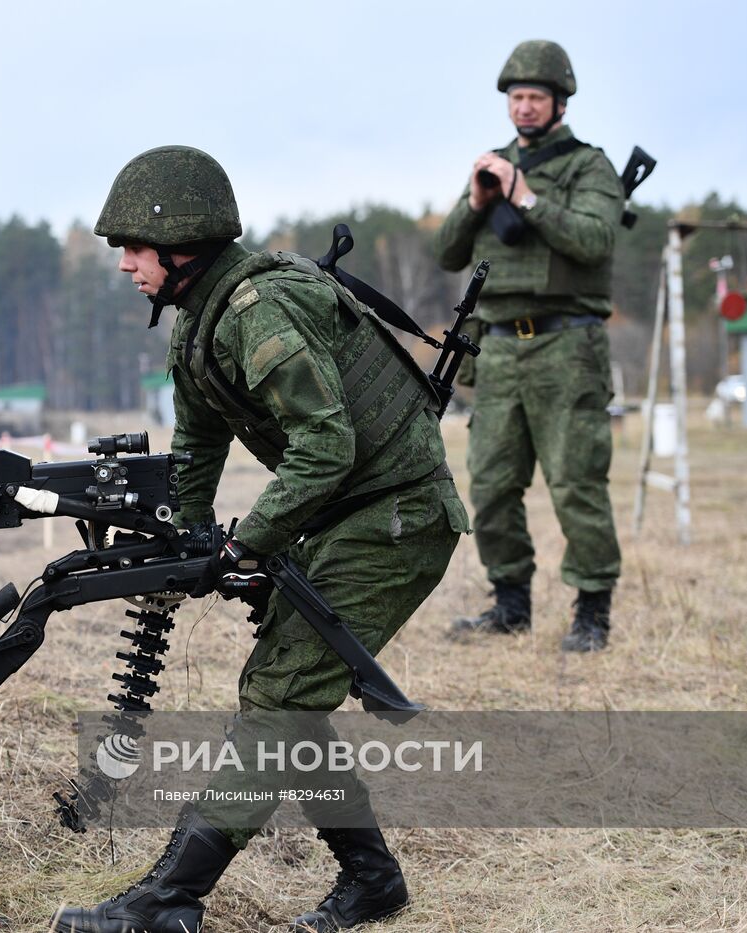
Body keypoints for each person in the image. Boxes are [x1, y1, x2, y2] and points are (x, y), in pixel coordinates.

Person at [53, 146, 467, 933]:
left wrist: (245, 548)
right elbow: (198, 444)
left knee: (278, 695)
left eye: (135, 249)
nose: (125, 266)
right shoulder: (200, 324)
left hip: (396, 517)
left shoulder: (255, 312)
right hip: (350, 515)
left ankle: (168, 899)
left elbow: (326, 447)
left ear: (185, 245)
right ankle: (373, 883)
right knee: (290, 692)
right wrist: (186, 535)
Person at [432, 40, 623, 652]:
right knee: (490, 483)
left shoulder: (587, 167)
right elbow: (447, 254)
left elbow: (595, 240)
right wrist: (478, 200)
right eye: (516, 97)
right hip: (501, 350)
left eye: (536, 96)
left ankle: (592, 612)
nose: (525, 107)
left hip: (568, 347)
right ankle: (510, 604)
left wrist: (526, 195)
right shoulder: (493, 169)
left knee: (576, 482)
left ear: (559, 102)